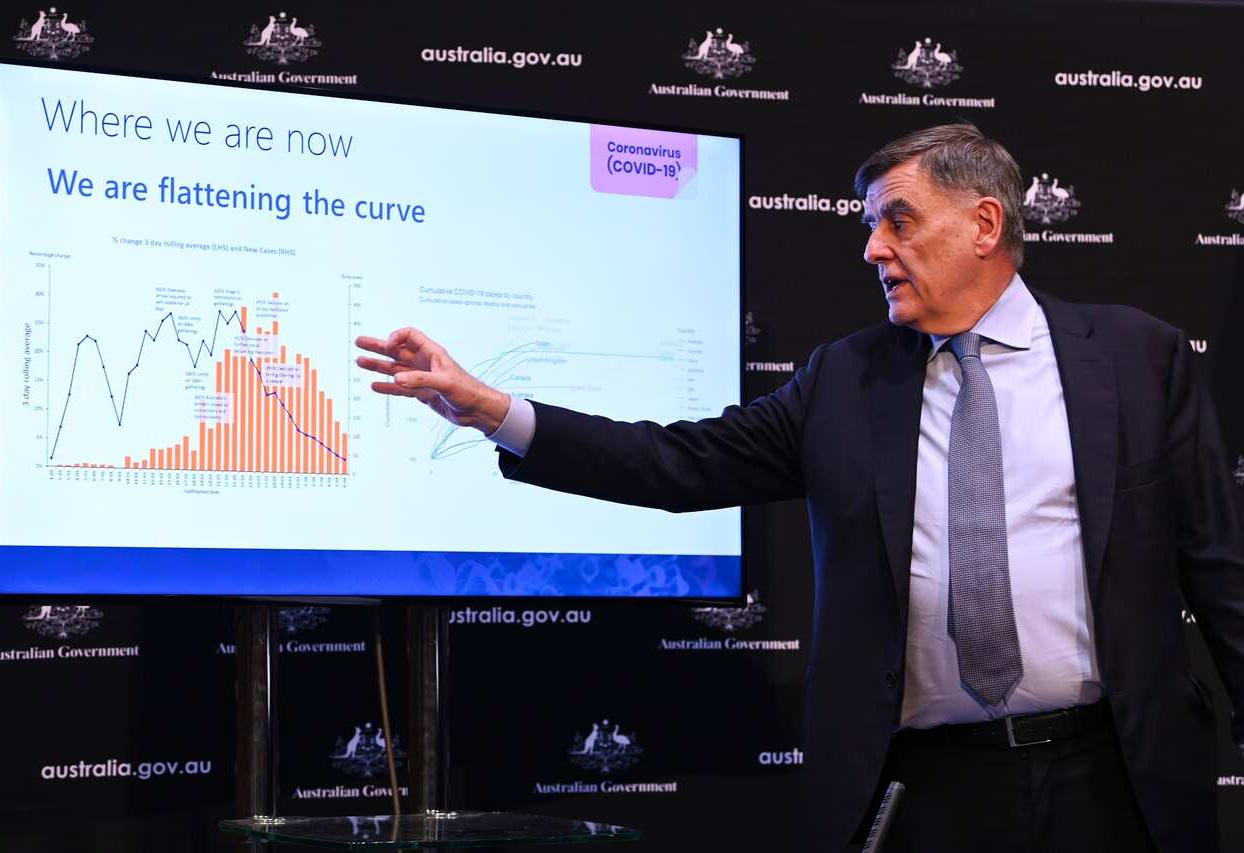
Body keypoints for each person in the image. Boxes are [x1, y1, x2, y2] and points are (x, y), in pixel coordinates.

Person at [355, 123, 1244, 852]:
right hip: (928, 790)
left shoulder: (1134, 358)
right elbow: (676, 463)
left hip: (1118, 780)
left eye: (898, 221)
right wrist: (496, 411)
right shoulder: (845, 381)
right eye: (869, 226)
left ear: (983, 224)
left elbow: (1219, 565)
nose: (872, 249)